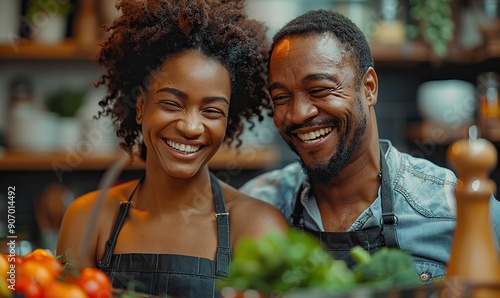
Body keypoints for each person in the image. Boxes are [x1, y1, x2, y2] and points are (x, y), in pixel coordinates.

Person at [240, 9, 500, 284]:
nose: (298, 113)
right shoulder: (258, 206)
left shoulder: (455, 207)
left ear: (369, 88)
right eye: (281, 97)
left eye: (319, 90)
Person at [56, 0, 288, 297]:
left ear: (228, 119)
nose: (191, 127)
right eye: (171, 104)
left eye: (212, 111)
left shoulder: (259, 226)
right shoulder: (88, 217)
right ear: (140, 106)